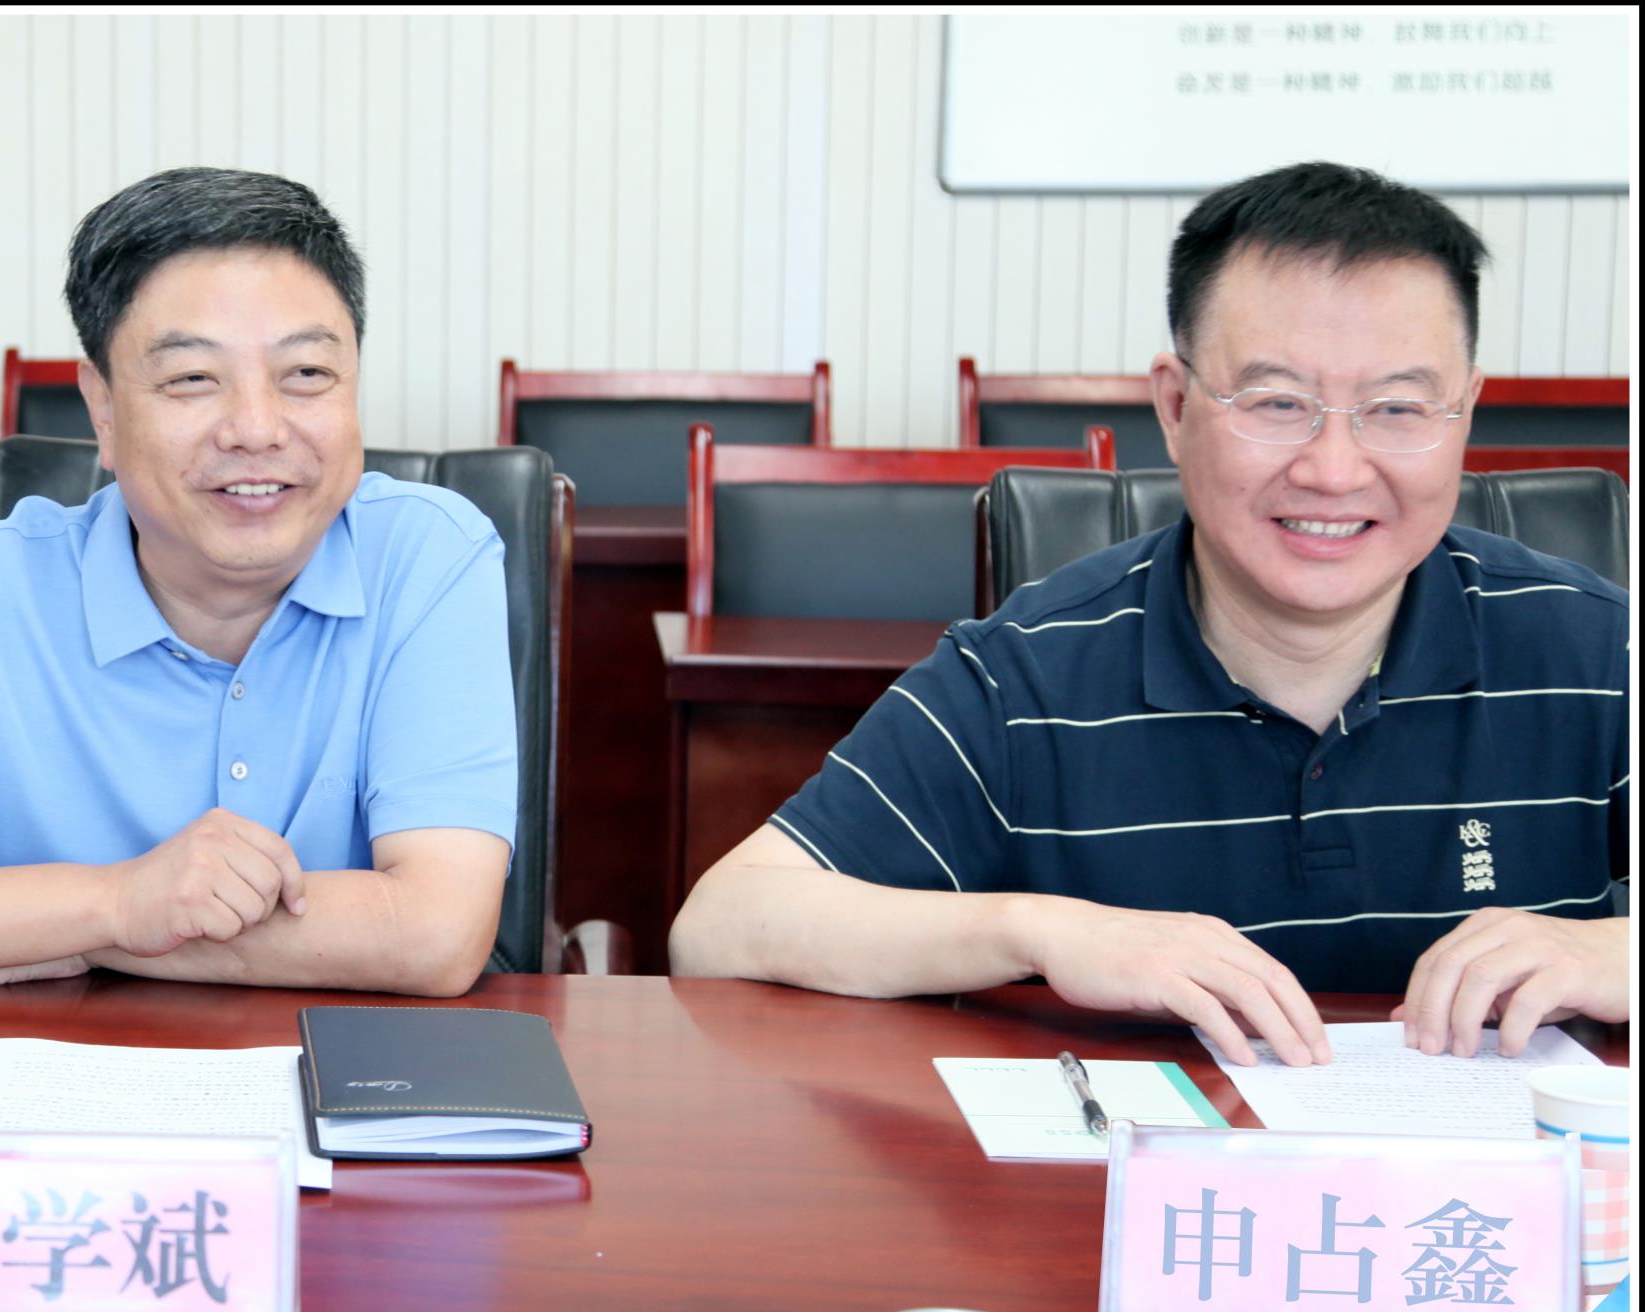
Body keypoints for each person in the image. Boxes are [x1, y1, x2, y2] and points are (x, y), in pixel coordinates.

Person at [670, 161, 1629, 1066]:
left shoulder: (1598, 651)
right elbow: (722, 926)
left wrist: (1615, 950)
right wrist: (1039, 930)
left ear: (1465, 413)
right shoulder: (1025, 676)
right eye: (1277, 402)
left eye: (1399, 409)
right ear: (1173, 407)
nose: (1335, 470)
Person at [0, 167, 518, 999]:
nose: (256, 429)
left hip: (344, 1071)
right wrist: (117, 904)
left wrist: (50, 934)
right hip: (34, 1070)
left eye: (307, 373)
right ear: (102, 409)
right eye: (192, 378)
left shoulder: (428, 557)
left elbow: (434, 934)